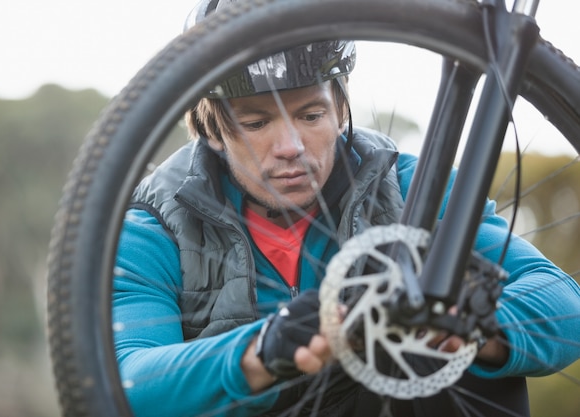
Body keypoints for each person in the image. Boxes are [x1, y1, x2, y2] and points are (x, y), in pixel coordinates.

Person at [113, 0, 580, 415]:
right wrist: (262, 349)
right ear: (213, 130)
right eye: (257, 122)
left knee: (443, 322)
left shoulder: (410, 183)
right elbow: (127, 380)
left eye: (311, 115)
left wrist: (469, 329)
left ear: (340, 109)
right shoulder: (154, 225)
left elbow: (564, 302)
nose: (291, 146)